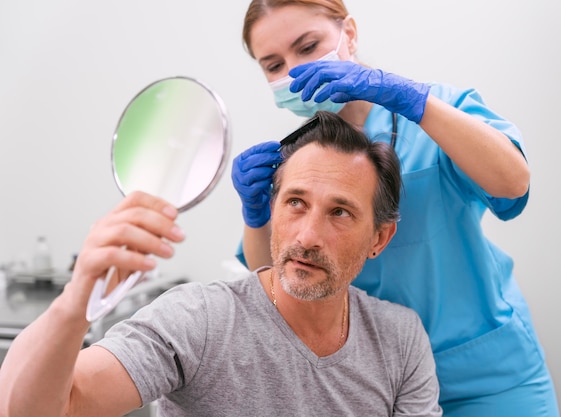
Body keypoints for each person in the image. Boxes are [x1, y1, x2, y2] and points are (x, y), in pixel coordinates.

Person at [231, 1, 560, 416]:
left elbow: (513, 182)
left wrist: (413, 100)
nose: (294, 71)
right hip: (374, 382)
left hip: (488, 376)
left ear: (348, 34)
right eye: (273, 64)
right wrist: (255, 213)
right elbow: (274, 282)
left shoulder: (435, 110)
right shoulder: (297, 158)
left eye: (308, 46)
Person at [0, 111, 443, 417]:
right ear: (272, 208)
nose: (308, 236)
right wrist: (77, 303)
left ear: (379, 238)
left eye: (340, 213)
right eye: (295, 203)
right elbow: (50, 410)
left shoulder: (399, 340)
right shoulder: (201, 320)